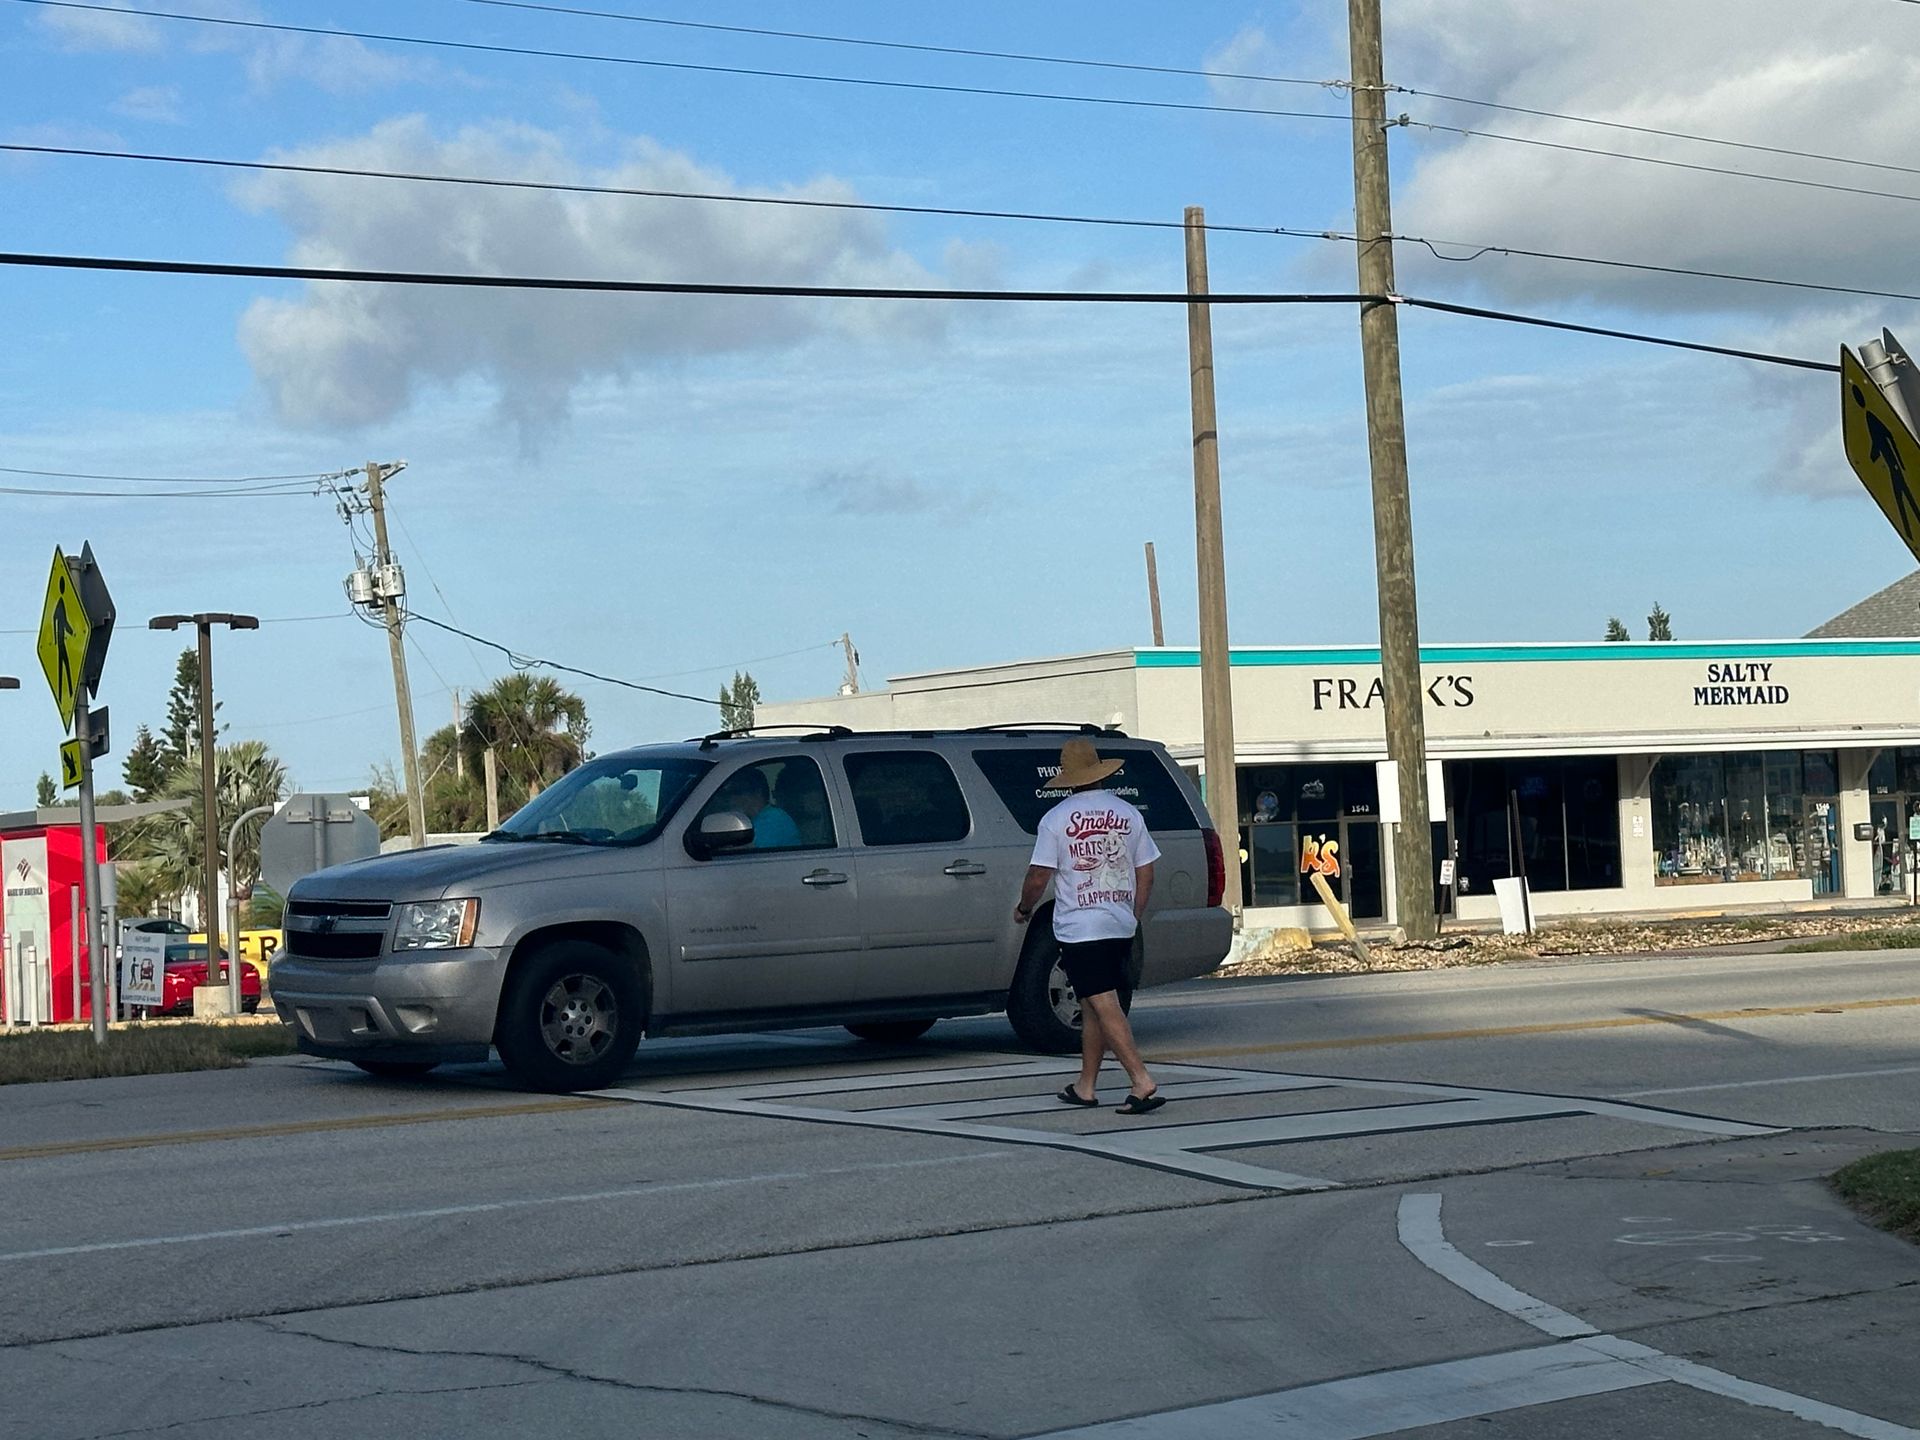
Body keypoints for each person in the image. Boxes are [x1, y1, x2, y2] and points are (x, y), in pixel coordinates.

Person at [1015, 738, 1164, 1115]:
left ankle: (1140, 1079)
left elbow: (1038, 875)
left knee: (1103, 1003)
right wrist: (1133, 913)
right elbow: (1145, 870)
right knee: (1092, 1005)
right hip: (1118, 923)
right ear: (1098, 774)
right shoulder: (1129, 813)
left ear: (1068, 779)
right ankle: (1086, 1086)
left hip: (1081, 927)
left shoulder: (1055, 819)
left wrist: (1024, 907)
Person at [716, 767, 802, 850]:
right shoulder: (758, 819)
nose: (732, 799)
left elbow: (743, 852)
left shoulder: (773, 819)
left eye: (737, 792)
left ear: (758, 792)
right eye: (729, 794)